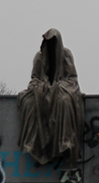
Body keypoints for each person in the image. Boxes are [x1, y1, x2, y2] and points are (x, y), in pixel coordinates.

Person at [17, 28, 84, 167]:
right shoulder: (39, 57)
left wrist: (58, 87)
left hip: (62, 89)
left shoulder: (66, 54)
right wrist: (40, 87)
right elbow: (34, 79)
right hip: (43, 91)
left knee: (64, 101)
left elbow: (72, 78)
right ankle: (36, 144)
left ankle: (65, 142)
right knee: (29, 102)